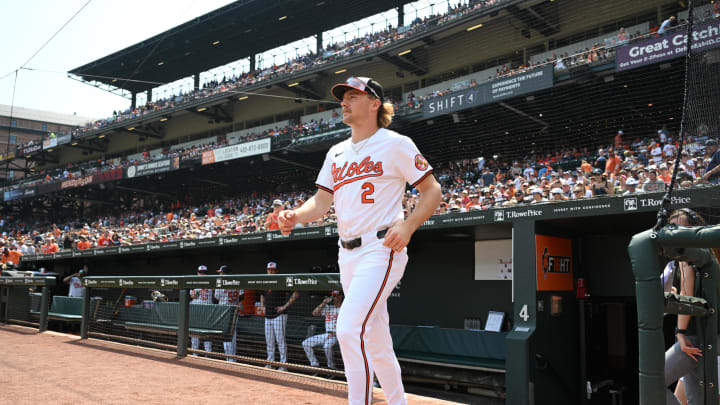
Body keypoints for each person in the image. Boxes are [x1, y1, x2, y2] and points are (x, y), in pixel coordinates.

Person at [278, 76, 442, 405]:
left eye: (353, 96)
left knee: (350, 330)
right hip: (347, 254)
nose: (344, 102)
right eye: (343, 97)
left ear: (374, 103)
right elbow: (321, 203)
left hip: (382, 248)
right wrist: (295, 215)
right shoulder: (336, 152)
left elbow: (432, 191)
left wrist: (408, 226)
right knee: (377, 340)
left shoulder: (396, 143)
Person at [664, 209, 720, 405]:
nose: (675, 232)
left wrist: (680, 333)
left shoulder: (688, 256)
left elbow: (687, 296)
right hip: (708, 337)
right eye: (672, 227)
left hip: (694, 338)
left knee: (651, 380)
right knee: (698, 400)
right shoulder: (711, 252)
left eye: (681, 227)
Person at [260, 261, 298, 371]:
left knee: (280, 341)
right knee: (269, 341)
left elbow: (296, 293)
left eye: (273, 270)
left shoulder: (282, 281)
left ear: (277, 271)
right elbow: (262, 295)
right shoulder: (264, 282)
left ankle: (283, 364)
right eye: (269, 270)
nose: (271, 272)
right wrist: (262, 306)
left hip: (279, 316)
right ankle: (270, 362)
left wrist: (285, 306)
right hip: (268, 316)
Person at [303, 290, 343, 370]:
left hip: (338, 335)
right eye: (332, 295)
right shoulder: (329, 308)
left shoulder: (344, 308)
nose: (333, 297)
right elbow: (314, 313)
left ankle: (331, 367)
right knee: (305, 343)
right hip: (327, 334)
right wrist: (323, 303)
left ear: (340, 296)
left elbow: (347, 326)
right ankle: (315, 365)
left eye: (335, 295)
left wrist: (334, 334)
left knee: (326, 346)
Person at [213, 265, 243, 362]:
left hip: (224, 312)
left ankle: (229, 358)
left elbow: (216, 297)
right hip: (234, 310)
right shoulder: (236, 281)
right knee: (233, 337)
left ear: (223, 273)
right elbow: (242, 296)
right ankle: (232, 357)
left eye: (220, 272)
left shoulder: (220, 283)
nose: (220, 274)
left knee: (226, 337)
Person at [190, 265, 213, 356]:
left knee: (207, 333)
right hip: (197, 311)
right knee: (195, 333)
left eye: (204, 272)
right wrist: (199, 289)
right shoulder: (193, 282)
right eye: (201, 272)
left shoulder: (212, 282)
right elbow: (193, 296)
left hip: (207, 311)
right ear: (197, 273)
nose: (202, 274)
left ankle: (208, 353)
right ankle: (195, 353)